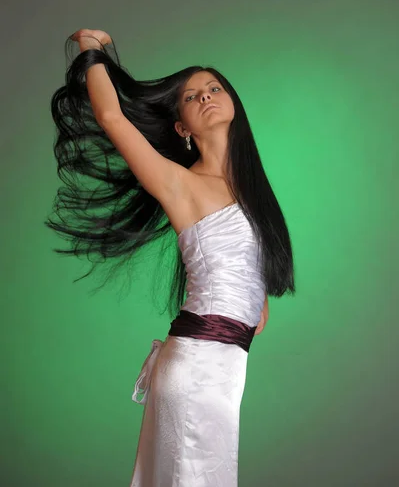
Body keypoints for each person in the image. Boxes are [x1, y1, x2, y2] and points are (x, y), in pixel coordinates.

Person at [45, 28, 295, 486]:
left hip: (224, 367)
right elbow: (111, 117)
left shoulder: (251, 192)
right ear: (181, 127)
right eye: (191, 97)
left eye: (214, 88)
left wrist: (255, 295)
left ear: (233, 103)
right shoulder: (179, 183)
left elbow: (242, 272)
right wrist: (91, 47)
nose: (205, 97)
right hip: (198, 367)